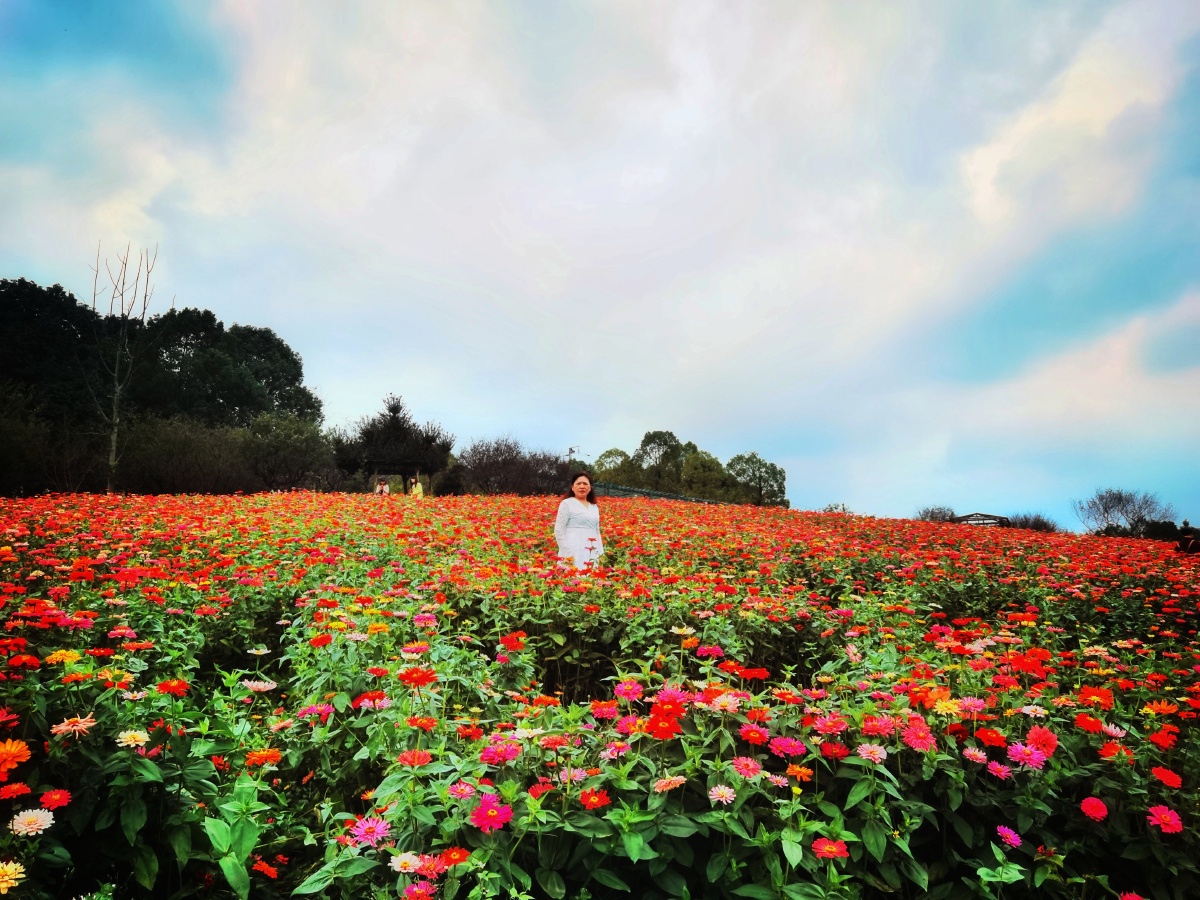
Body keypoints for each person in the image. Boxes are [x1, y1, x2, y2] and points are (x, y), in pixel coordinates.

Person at [554, 471, 603, 569]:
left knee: (590, 580)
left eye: (585, 484)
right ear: (572, 487)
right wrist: (567, 554)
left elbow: (597, 531)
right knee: (570, 579)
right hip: (571, 550)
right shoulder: (566, 504)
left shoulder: (594, 507)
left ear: (590, 488)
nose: (582, 486)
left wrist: (600, 552)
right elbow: (559, 530)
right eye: (578, 483)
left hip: (591, 551)